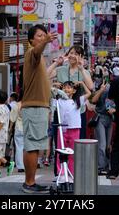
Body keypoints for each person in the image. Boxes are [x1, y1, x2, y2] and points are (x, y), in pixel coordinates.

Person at [21, 24, 58, 194]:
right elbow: (37, 51)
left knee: (32, 145)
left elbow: (44, 78)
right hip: (35, 107)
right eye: (39, 36)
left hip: (37, 106)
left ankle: (30, 181)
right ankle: (29, 182)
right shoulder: (32, 53)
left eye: (45, 35)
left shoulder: (39, 59)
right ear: (31, 40)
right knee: (33, 146)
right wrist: (46, 42)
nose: (43, 38)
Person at [48, 45, 94, 138]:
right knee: (60, 142)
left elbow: (91, 87)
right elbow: (45, 75)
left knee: (78, 142)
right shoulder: (61, 70)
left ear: (81, 57)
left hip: (78, 112)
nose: (72, 56)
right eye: (71, 53)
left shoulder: (84, 72)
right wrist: (56, 62)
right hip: (61, 112)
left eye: (76, 54)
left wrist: (81, 69)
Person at [55, 80, 91, 177]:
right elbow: (50, 92)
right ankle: (61, 172)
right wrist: (54, 85)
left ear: (74, 90)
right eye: (64, 87)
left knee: (72, 152)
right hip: (62, 129)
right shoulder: (59, 101)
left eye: (69, 87)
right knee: (60, 151)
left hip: (74, 129)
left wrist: (83, 83)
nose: (66, 89)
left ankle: (72, 172)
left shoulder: (78, 100)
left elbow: (89, 93)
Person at [91, 79, 116, 175]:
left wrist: (114, 110)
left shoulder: (114, 93)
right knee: (102, 144)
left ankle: (105, 166)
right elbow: (93, 101)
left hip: (110, 119)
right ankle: (100, 167)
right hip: (100, 118)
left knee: (107, 145)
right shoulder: (102, 91)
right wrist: (101, 90)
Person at [10, 90, 24, 173]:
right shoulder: (30, 105)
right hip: (28, 128)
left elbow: (12, 118)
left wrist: (10, 128)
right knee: (27, 148)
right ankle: (27, 165)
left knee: (19, 147)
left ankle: (20, 166)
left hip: (19, 127)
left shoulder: (17, 105)